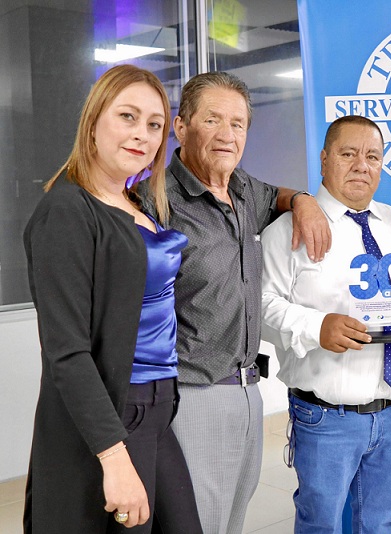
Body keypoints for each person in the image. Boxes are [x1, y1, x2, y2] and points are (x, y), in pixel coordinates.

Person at [141, 71, 331, 534]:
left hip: (248, 391)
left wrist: (303, 200)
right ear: (180, 128)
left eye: (239, 123)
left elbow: (279, 196)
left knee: (230, 523)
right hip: (192, 393)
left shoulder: (244, 189)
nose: (228, 134)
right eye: (213, 120)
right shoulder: (154, 204)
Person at [23, 64, 201, 533]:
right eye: (127, 116)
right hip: (115, 414)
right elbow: (67, 352)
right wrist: (114, 457)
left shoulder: (136, 203)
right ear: (94, 121)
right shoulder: (67, 211)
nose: (142, 134)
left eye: (154, 124)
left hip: (159, 409)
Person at [261, 115, 391, 533]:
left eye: (372, 156)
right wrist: (316, 327)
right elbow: (260, 306)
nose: (361, 165)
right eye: (348, 154)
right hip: (327, 417)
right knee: (321, 525)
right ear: (325, 158)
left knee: (382, 524)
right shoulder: (287, 231)